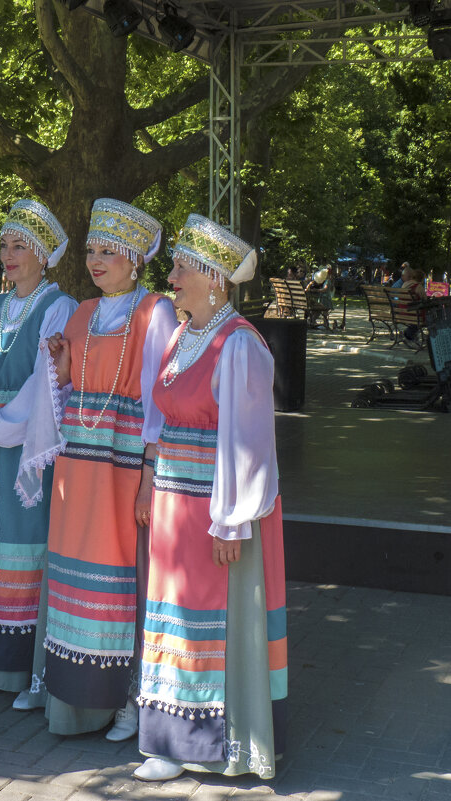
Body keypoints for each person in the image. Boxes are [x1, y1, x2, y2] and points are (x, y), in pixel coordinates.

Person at [134, 214, 287, 782]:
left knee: (207, 620)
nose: (170, 277)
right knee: (172, 617)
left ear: (215, 280)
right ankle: (171, 739)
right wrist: (150, 479)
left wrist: (230, 522)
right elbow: (164, 422)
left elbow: (247, 445)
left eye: (180, 267)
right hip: (177, 505)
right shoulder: (184, 333)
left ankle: (210, 743)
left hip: (212, 510)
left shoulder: (238, 344)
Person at [43, 199, 176, 741]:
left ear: (136, 259)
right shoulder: (81, 313)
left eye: (108, 253)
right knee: (79, 576)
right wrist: (60, 364)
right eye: (92, 251)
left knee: (126, 579)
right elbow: (72, 391)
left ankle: (128, 700)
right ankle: (78, 703)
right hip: (78, 468)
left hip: (123, 469)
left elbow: (159, 402)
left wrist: (150, 476)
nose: (96, 261)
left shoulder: (156, 312)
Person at [0, 199, 77, 709]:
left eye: (20, 245)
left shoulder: (59, 307)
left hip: (30, 448)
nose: (8, 254)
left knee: (26, 544)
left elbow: (44, 386)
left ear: (44, 254)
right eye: (4, 244)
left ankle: (29, 674)